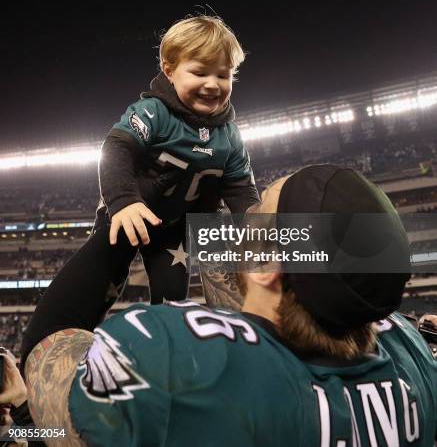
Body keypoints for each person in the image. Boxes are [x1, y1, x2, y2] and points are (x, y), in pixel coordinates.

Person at [21, 165, 437, 446]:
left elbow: (46, 351)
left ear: (266, 265)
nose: (244, 216)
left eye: (257, 210)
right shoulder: (412, 352)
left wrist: (115, 229)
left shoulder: (170, 358)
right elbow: (263, 301)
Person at [95, 14, 259, 303]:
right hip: (129, 211)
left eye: (223, 75)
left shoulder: (229, 135)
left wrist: (260, 228)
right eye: (199, 73)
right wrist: (123, 200)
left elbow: (241, 191)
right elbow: (116, 148)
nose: (212, 84)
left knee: (172, 299)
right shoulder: (154, 111)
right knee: (94, 286)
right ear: (169, 71)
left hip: (175, 232)